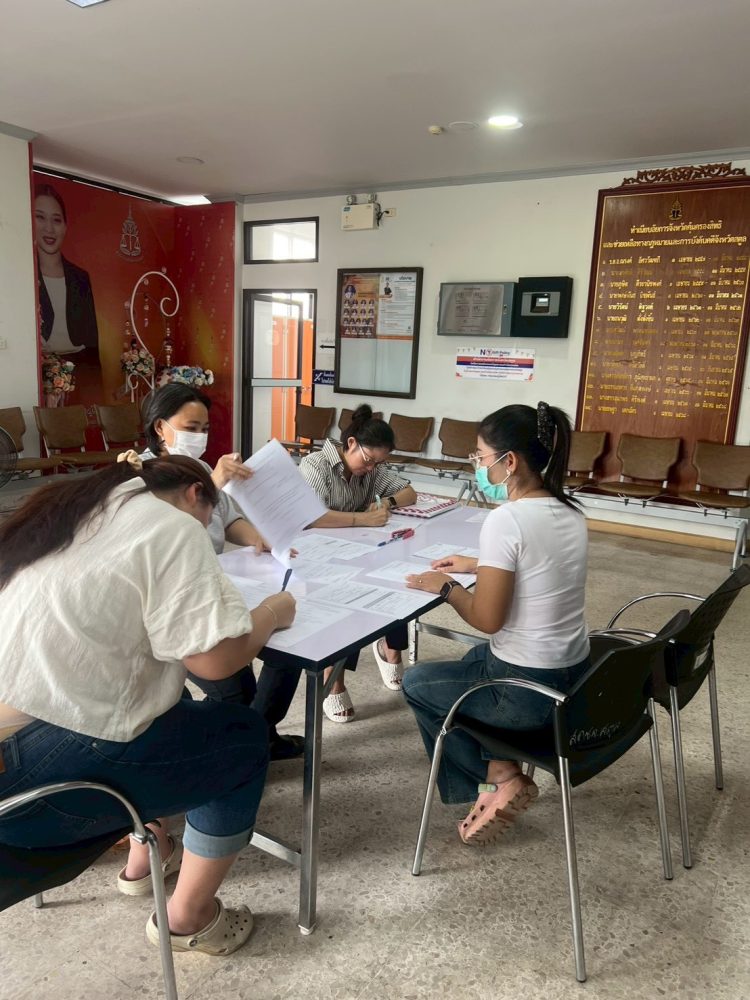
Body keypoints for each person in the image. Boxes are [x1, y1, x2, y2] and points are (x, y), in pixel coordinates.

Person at [0, 455, 296, 955]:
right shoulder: (172, 526)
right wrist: (271, 611)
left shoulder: (78, 509)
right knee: (243, 739)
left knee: (168, 703)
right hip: (32, 786)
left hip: (15, 744)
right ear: (196, 494)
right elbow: (215, 660)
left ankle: (148, 852)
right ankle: (189, 917)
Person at [402, 402, 590, 845]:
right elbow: (539, 564)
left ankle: (494, 783)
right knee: (474, 658)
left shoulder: (506, 520)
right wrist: (480, 563)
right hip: (573, 675)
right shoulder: (571, 512)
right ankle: (500, 764)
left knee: (417, 683)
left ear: (510, 461)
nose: (478, 465)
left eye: (481, 457)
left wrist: (448, 588)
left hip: (524, 691)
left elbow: (487, 619)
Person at [141, 384, 305, 760]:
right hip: (172, 603)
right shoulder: (140, 476)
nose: (199, 437)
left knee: (288, 648)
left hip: (217, 582)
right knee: (235, 687)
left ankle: (258, 737)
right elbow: (166, 535)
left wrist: (260, 539)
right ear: (160, 427)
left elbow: (228, 521)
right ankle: (242, 746)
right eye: (190, 428)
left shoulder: (199, 467)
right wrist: (214, 483)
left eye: (204, 429)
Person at [299, 404, 418, 721]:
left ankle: (389, 648)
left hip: (356, 550)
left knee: (396, 577)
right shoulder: (315, 466)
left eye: (379, 463)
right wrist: (363, 519)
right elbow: (312, 518)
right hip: (315, 557)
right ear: (350, 444)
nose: (371, 468)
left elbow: (409, 492)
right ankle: (333, 676)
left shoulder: (371, 468)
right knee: (344, 598)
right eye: (368, 460)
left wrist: (385, 502)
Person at [34, 184, 100, 403]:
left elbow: (91, 338)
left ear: (65, 226)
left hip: (80, 367)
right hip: (42, 368)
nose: (49, 229)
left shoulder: (80, 277)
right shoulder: (25, 274)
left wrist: (96, 385)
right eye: (40, 217)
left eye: (56, 220)